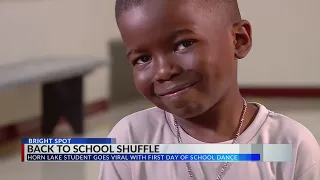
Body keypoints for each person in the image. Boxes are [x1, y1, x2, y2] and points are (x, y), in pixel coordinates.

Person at [99, 0, 320, 179]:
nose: (163, 71)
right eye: (143, 59)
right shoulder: (130, 140)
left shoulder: (290, 145)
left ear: (239, 40)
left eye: (183, 44)